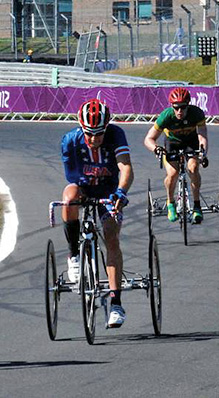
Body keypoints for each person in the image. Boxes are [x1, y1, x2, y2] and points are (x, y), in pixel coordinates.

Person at [60, 99, 134, 328]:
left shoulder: (116, 135)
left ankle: (116, 304)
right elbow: (72, 178)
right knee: (69, 199)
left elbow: (126, 168)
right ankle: (73, 254)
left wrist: (121, 192)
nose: (94, 139)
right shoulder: (70, 141)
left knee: (111, 235)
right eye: (89, 134)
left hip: (110, 190)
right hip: (84, 187)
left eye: (99, 133)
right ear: (81, 128)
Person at [144, 87, 208, 224]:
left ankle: (197, 206)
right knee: (173, 174)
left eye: (183, 107)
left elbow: (202, 136)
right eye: (176, 107)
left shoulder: (197, 114)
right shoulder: (166, 116)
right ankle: (170, 203)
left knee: (193, 168)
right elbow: (148, 139)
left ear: (188, 105)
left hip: (191, 141)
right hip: (172, 143)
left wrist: (203, 153)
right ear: (171, 106)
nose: (179, 111)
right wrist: (156, 149)